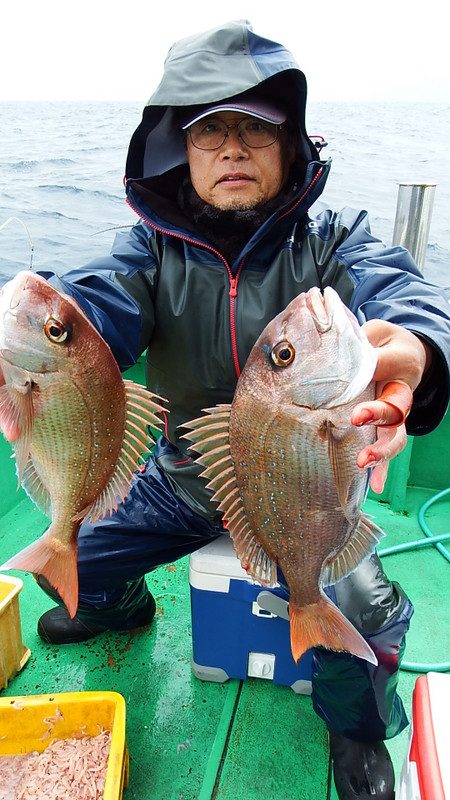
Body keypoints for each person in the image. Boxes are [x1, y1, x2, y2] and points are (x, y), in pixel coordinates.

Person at [1, 20, 450, 800]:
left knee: (365, 613)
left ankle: (355, 729)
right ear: (183, 152)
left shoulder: (335, 245)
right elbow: (93, 302)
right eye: (211, 132)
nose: (233, 148)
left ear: (292, 148)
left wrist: (416, 348)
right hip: (183, 478)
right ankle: (125, 604)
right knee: (64, 562)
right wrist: (35, 349)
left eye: (256, 130)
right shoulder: (149, 250)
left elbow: (403, 294)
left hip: (302, 493)